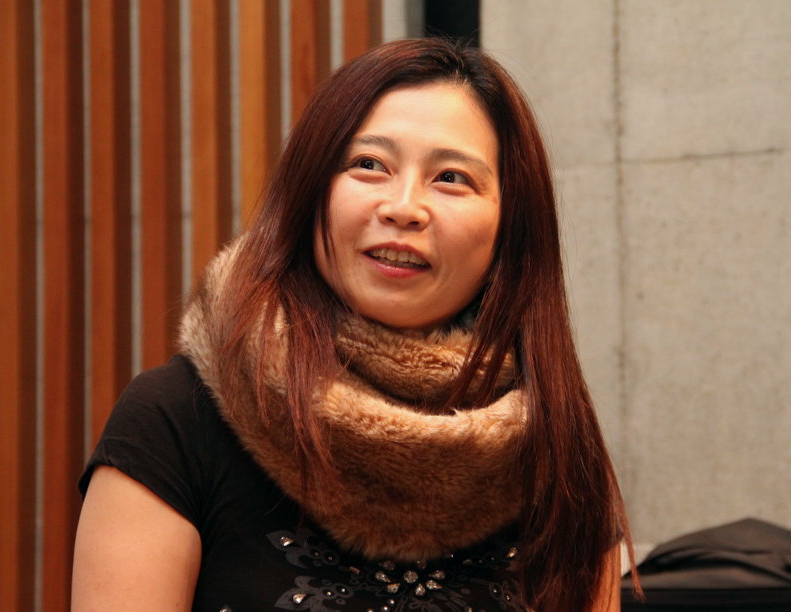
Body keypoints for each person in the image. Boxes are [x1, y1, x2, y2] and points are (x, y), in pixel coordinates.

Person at [72, 38, 639, 611]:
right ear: (309, 191)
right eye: (368, 165)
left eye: (451, 177)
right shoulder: (175, 418)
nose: (404, 207)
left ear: (510, 228)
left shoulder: (555, 445)